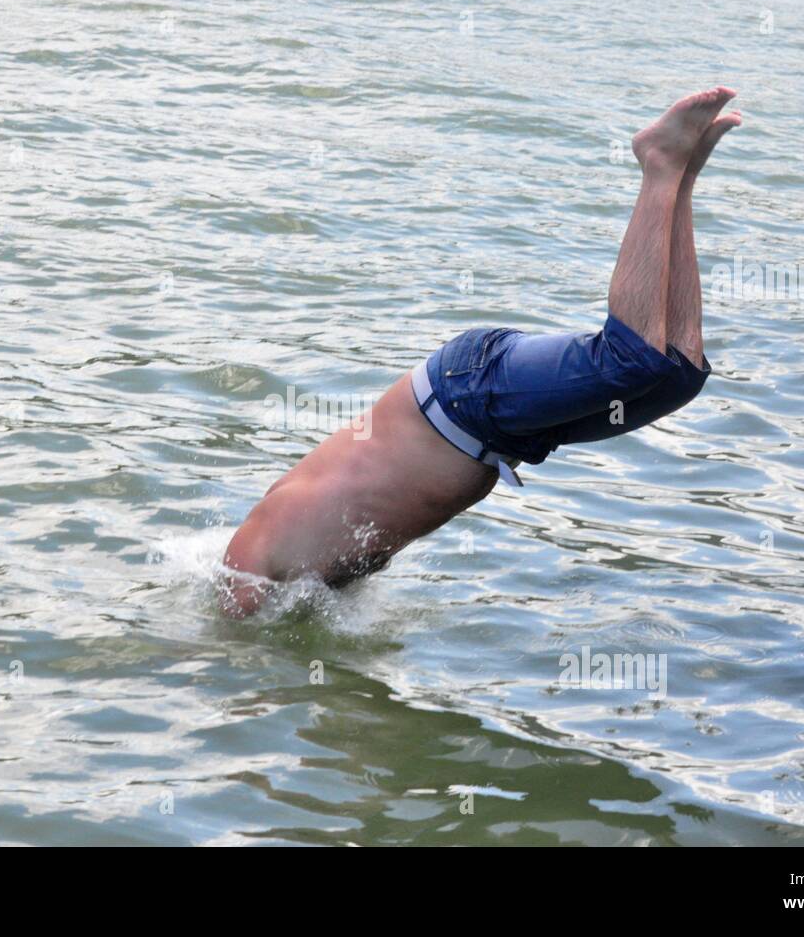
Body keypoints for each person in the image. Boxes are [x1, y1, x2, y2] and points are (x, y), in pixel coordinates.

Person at [220, 87, 742, 617]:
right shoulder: (312, 575)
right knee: (678, 373)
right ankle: (682, 175)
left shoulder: (252, 555)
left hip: (463, 394)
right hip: (501, 433)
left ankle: (658, 161)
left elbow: (232, 636)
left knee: (630, 360)